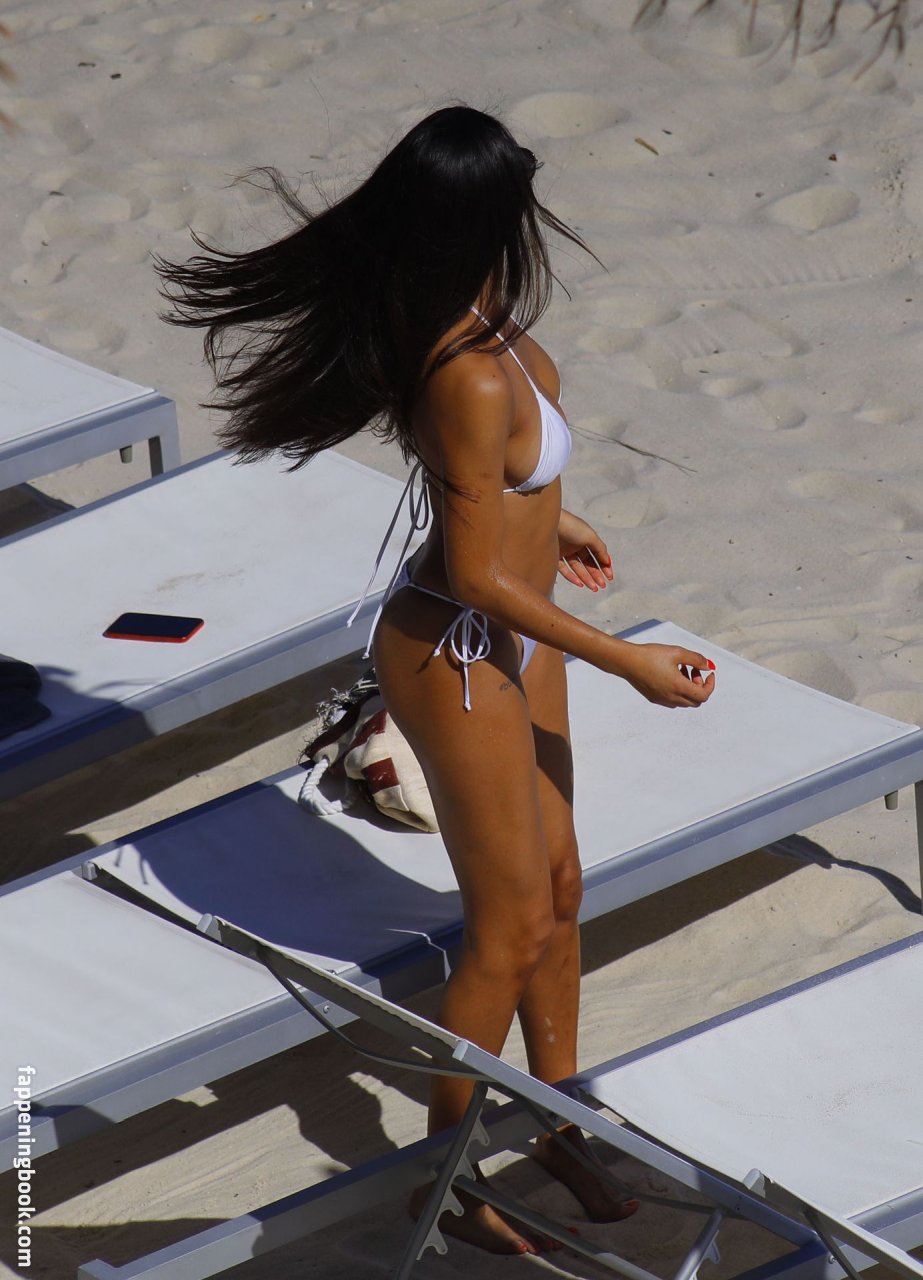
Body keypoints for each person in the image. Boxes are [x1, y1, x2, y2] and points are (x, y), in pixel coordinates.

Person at [156, 104, 715, 1258]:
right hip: (457, 649)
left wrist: (553, 514)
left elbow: (503, 490)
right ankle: (445, 1182)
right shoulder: (459, 369)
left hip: (516, 632)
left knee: (560, 885)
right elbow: (468, 573)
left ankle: (555, 1118)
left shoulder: (484, 321)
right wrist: (624, 659)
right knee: (505, 929)